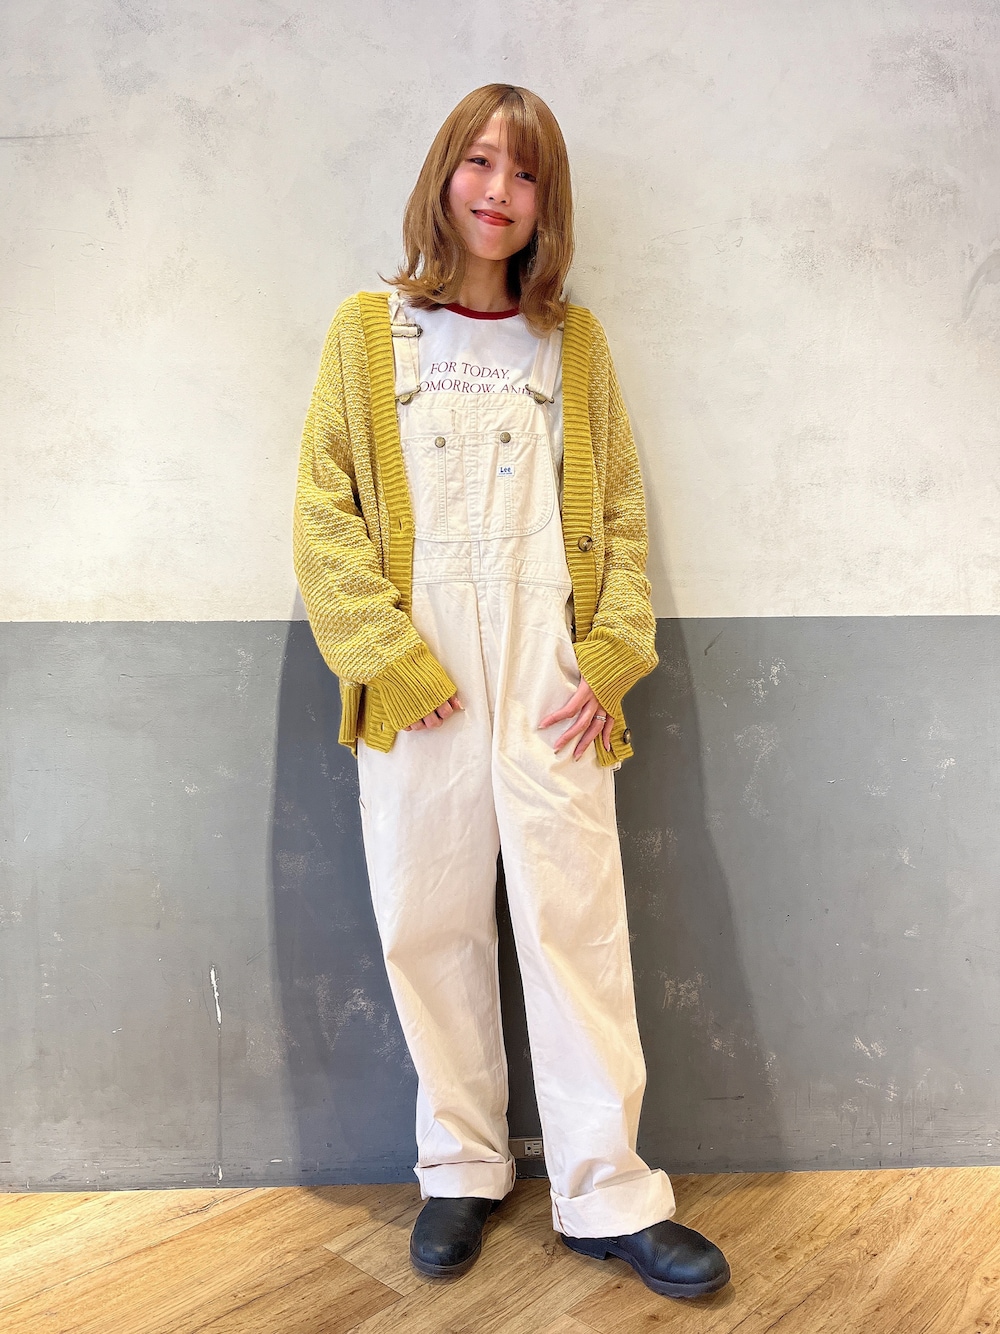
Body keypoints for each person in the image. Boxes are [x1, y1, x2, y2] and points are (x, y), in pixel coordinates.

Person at [292, 83, 730, 1300]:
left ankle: (609, 1188)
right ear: (443, 176)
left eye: (525, 172)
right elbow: (325, 511)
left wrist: (611, 654)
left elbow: (621, 513)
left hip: (552, 676)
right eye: (479, 162)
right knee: (424, 917)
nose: (498, 190)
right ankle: (461, 1165)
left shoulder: (571, 344)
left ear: (547, 201)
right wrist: (388, 657)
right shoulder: (368, 332)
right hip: (417, 674)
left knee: (574, 921)